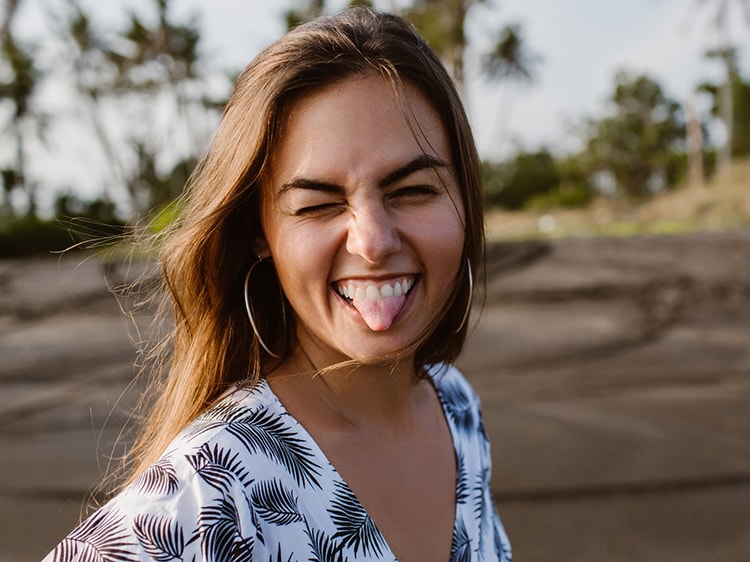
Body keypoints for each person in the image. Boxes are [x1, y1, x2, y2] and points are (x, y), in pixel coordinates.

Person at [43, 6, 511, 562]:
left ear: (464, 200)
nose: (373, 241)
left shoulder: (456, 408)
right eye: (317, 204)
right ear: (259, 232)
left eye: (413, 190)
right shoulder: (211, 499)